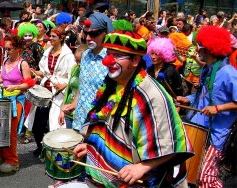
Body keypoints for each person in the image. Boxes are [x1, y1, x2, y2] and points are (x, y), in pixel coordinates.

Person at [73, 23, 194, 187]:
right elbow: (106, 128)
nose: (108, 61)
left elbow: (172, 144)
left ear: (136, 59)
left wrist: (142, 166)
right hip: (103, 179)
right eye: (108, 53)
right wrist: (91, 145)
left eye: (116, 55)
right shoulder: (111, 85)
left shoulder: (151, 95)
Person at [176, 25, 237, 188]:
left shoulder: (229, 73)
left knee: (206, 177)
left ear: (208, 48)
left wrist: (218, 109)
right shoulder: (208, 70)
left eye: (200, 45)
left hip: (218, 134)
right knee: (191, 175)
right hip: (199, 128)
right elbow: (202, 95)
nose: (197, 48)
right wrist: (187, 99)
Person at [0, 34, 34, 173]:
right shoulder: (6, 60)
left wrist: (16, 87)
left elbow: (29, 83)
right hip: (2, 99)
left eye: (10, 48)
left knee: (10, 132)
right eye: (5, 48)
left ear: (18, 48)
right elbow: (2, 78)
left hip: (16, 101)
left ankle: (12, 161)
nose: (7, 51)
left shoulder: (23, 63)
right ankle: (1, 156)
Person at [27, 26, 75, 157]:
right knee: (37, 124)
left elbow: (72, 75)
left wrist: (64, 84)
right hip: (45, 91)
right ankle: (40, 146)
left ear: (61, 38)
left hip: (59, 93)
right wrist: (35, 72)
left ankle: (54, 151)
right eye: (50, 36)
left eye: (54, 36)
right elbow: (43, 71)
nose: (51, 39)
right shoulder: (47, 52)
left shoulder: (68, 55)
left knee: (55, 124)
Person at [72, 12, 113, 131]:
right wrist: (74, 103)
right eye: (86, 33)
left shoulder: (112, 59)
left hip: (100, 122)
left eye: (93, 34)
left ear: (104, 33)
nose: (88, 38)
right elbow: (82, 84)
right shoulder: (85, 55)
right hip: (80, 119)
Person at [17, 22, 44, 144]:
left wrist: (37, 75)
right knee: (22, 105)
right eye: (25, 35)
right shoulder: (21, 47)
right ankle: (22, 130)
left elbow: (42, 63)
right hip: (21, 78)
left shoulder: (37, 47)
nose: (27, 38)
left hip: (34, 79)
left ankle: (28, 133)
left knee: (31, 106)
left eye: (29, 35)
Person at [58, 44, 88, 129]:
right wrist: (62, 110)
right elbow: (68, 90)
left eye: (80, 61)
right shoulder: (75, 68)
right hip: (69, 113)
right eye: (76, 60)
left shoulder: (88, 73)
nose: (78, 64)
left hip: (81, 115)